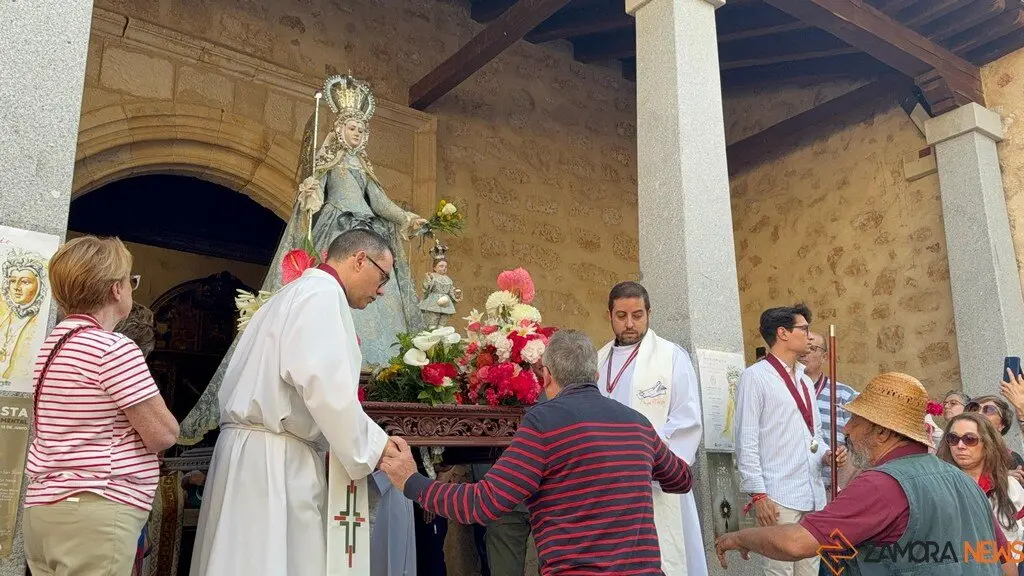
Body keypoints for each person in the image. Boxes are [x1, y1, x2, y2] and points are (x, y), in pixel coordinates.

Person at [379, 330, 694, 574]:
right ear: (595, 376)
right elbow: (681, 479)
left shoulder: (545, 423)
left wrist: (411, 480)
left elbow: (482, 504)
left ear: (546, 376)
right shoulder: (637, 424)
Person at [189, 229, 400, 576]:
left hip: (250, 452)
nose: (381, 291)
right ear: (360, 259)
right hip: (275, 460)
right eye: (383, 277)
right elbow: (324, 387)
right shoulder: (322, 295)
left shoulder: (293, 293)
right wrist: (377, 448)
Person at [716, 372, 1015, 576]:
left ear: (882, 432)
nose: (847, 428)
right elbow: (1005, 562)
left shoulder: (883, 485)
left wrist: (740, 537)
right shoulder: (963, 481)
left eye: (855, 420)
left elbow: (797, 543)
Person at [23, 236, 179, 576]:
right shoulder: (113, 349)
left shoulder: (52, 346)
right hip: (96, 509)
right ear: (115, 290)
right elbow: (164, 434)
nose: (130, 288)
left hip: (44, 509)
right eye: (129, 280)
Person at [596, 281, 706, 575]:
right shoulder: (597, 359)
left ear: (649, 314)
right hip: (610, 484)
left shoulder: (671, 357)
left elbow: (687, 420)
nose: (630, 323)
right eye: (621, 316)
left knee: (665, 559)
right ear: (609, 315)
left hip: (657, 483)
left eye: (638, 314)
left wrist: (654, 461)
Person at [734, 304, 846, 576]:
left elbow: (813, 437)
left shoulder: (805, 381)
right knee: (779, 571)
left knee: (810, 570)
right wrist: (758, 495)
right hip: (777, 494)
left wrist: (826, 455)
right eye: (804, 329)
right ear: (783, 333)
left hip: (812, 493)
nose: (809, 336)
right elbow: (745, 441)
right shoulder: (755, 377)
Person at [937, 413, 1024, 544]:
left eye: (970, 439)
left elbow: (1017, 537)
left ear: (988, 442)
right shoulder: (937, 486)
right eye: (953, 438)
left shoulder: (1009, 486)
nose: (960, 445)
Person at [800, 331, 858, 493]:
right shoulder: (783, 391)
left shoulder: (845, 396)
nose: (804, 353)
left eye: (812, 348)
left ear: (825, 357)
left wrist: (843, 454)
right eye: (802, 347)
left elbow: (860, 444)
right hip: (792, 489)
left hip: (831, 490)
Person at [0, 249, 47, 380]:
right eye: (12, 280)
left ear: (39, 287)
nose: (16, 287)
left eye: (25, 281)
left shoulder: (40, 321)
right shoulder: (5, 315)